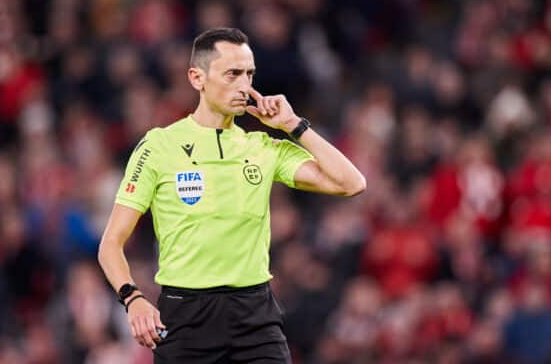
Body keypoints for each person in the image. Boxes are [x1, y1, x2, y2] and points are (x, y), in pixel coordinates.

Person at [97, 27, 366, 363]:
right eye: (233, 74)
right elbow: (111, 244)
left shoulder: (264, 147)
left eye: (250, 74)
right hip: (186, 319)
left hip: (255, 317)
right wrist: (132, 298)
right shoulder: (158, 146)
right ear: (197, 78)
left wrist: (294, 125)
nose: (245, 86)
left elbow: (351, 183)